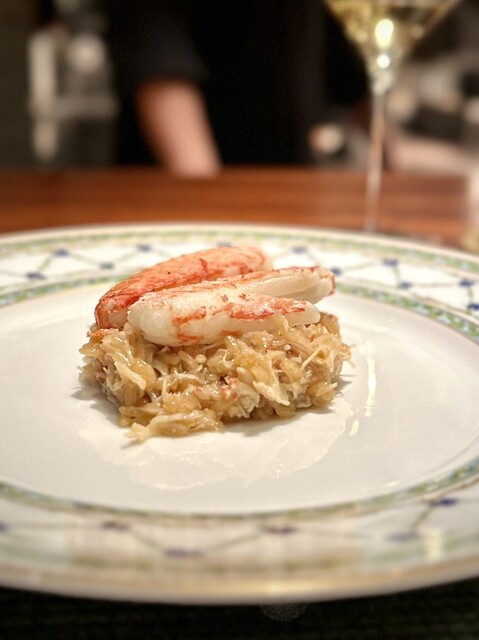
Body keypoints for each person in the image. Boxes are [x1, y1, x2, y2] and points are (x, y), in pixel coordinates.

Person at [105, 0, 368, 175]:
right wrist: (209, 205)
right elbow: (157, 61)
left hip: (292, 184)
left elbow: (350, 79)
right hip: (172, 193)